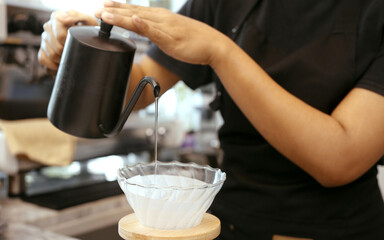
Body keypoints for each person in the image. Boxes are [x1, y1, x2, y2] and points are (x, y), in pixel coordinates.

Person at [38, 0, 384, 239]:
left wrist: (220, 52)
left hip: (334, 227)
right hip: (229, 221)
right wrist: (79, 56)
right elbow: (144, 87)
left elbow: (341, 158)